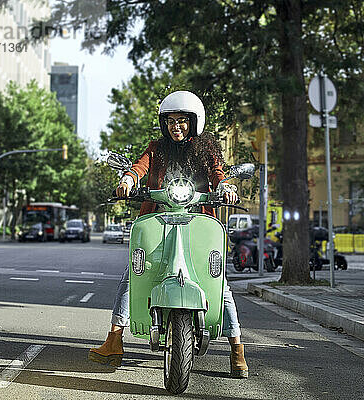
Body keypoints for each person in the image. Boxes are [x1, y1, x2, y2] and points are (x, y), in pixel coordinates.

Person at [88, 90, 248, 378]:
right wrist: (128, 178)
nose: (176, 126)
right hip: (157, 222)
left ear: (193, 122)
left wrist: (225, 187)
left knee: (220, 282)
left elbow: (217, 173)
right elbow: (141, 165)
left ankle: (237, 348)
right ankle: (114, 340)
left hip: (197, 222)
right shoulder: (157, 148)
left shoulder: (205, 150)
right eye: (171, 121)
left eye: (182, 121)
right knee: (132, 276)